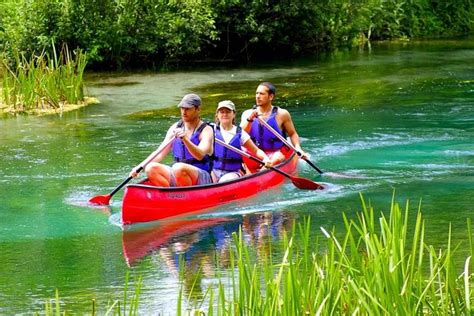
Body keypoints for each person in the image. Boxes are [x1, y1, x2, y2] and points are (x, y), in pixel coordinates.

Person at [130, 93, 214, 186]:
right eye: (182, 108)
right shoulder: (175, 127)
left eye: (188, 109)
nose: (184, 112)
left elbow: (200, 155)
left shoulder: (206, 130)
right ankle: (170, 196)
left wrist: (185, 139)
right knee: (150, 168)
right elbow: (159, 153)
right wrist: (140, 167)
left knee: (179, 168)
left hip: (202, 177)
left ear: (198, 109)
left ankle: (183, 197)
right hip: (178, 172)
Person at [240, 82, 308, 167]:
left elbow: (292, 133)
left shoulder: (282, 114)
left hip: (275, 153)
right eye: (256, 93)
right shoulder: (247, 114)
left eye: (261, 94)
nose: (257, 96)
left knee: (277, 157)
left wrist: (298, 148)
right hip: (255, 152)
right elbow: (241, 135)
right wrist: (250, 119)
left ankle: (263, 171)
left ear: (271, 97)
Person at [212, 100, 270, 183]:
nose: (224, 114)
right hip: (213, 171)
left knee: (224, 181)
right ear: (217, 115)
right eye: (221, 112)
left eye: (228, 112)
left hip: (232, 173)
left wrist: (265, 158)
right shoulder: (210, 130)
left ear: (234, 114)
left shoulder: (240, 133)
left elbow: (256, 150)